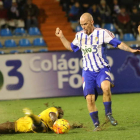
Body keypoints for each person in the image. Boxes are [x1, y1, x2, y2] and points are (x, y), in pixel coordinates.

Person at [55, 12, 140, 131]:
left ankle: (108, 114)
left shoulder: (102, 33)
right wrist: (61, 37)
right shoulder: (79, 36)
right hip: (87, 72)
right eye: (81, 25)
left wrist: (131, 50)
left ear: (92, 22)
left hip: (101, 69)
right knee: (89, 98)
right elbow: (71, 47)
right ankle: (97, 125)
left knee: (106, 88)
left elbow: (118, 44)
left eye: (85, 24)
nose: (83, 27)